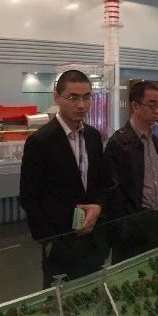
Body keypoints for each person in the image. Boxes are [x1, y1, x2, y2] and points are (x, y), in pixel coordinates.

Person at [19, 70, 107, 287]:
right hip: (60, 244)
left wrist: (98, 206)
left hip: (93, 238)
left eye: (86, 97)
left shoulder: (93, 137)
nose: (81, 105)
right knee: (59, 302)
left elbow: (101, 182)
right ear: (56, 97)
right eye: (73, 98)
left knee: (93, 296)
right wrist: (48, 242)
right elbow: (29, 197)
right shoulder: (40, 141)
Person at [102, 82, 158, 264]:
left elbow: (156, 176)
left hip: (155, 218)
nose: (157, 110)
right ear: (135, 106)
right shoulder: (118, 143)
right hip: (132, 225)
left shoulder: (152, 138)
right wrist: (124, 227)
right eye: (151, 105)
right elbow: (112, 192)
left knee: (150, 267)